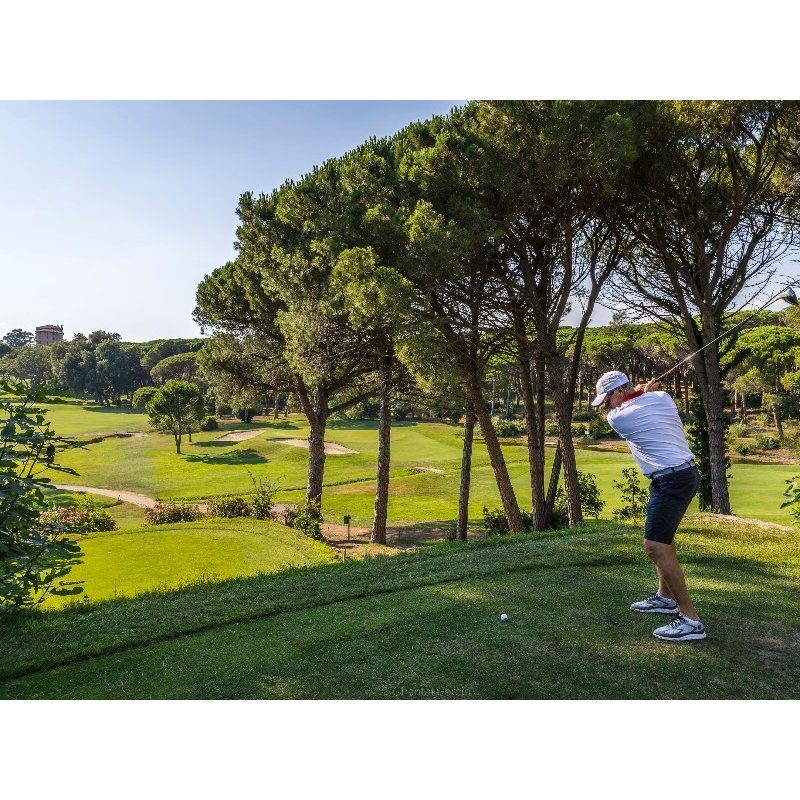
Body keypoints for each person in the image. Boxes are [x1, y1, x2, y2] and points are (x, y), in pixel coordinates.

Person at [591, 370, 706, 642]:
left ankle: (690, 620)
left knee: (654, 546)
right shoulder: (663, 397)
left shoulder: (618, 417)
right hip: (684, 475)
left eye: (607, 399)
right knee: (664, 539)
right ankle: (665, 598)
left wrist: (641, 391)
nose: (607, 405)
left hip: (672, 480)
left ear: (620, 392)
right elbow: (643, 399)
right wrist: (642, 392)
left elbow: (630, 405)